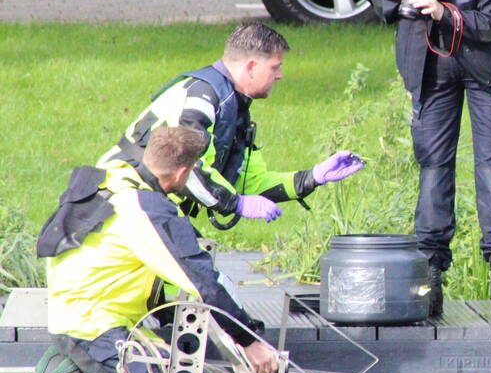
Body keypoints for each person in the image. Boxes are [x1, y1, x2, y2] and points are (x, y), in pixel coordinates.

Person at [25, 126, 277, 373]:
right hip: (93, 328)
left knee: (184, 369)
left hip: (78, 313)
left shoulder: (116, 178)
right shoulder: (147, 209)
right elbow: (203, 282)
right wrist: (250, 341)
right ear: (183, 173)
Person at [367, 0, 491, 319]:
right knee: (433, 167)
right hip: (428, 68)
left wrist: (444, 12)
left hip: (487, 69)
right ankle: (430, 275)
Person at [98, 22, 364, 227]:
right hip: (121, 198)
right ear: (251, 67)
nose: (280, 75)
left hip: (149, 203)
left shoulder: (233, 106)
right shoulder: (201, 98)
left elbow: (252, 181)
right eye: (275, 67)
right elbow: (189, 169)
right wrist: (235, 204)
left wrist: (313, 177)